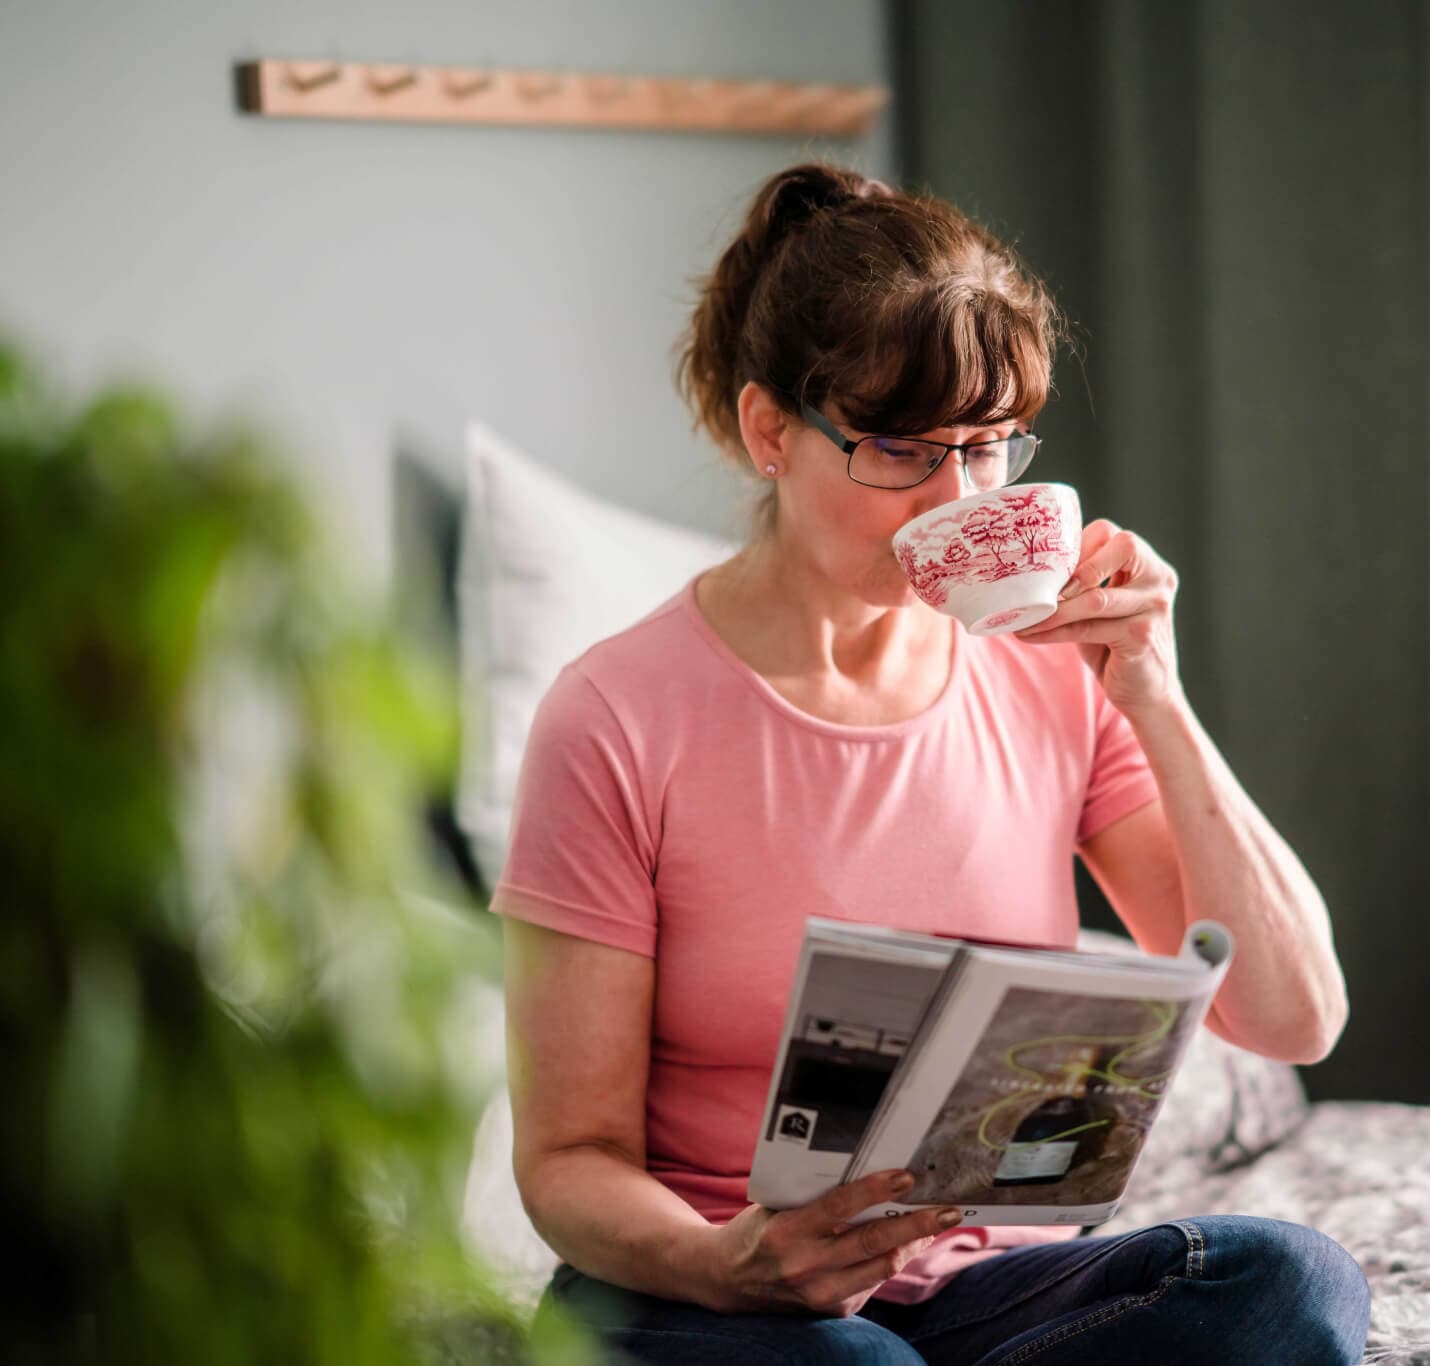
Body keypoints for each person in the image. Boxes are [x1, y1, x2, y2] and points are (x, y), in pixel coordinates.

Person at [497, 161, 1371, 1365]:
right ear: (769, 431)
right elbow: (567, 1161)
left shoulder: (1050, 674)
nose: (954, 501)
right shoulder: (613, 716)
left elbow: (1293, 1016)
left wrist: (1154, 696)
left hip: (976, 1291)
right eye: (904, 450)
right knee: (857, 1363)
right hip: (698, 1284)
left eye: (991, 447)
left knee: (1284, 1283)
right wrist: (730, 1264)